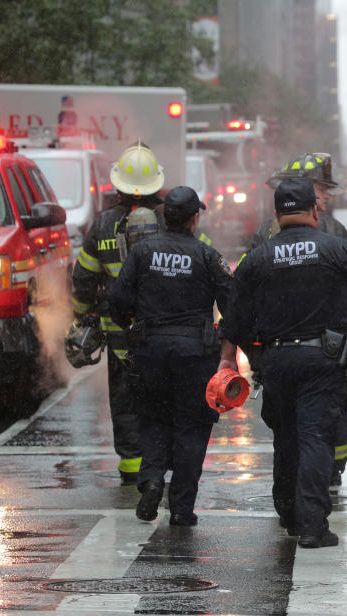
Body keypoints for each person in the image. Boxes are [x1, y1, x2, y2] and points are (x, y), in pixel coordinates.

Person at [220, 177, 347, 548]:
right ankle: (313, 525)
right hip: (324, 361)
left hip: (277, 361)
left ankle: (289, 514)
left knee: (286, 436)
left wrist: (229, 358)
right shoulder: (337, 249)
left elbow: (234, 313)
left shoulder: (259, 257)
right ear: (314, 209)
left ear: (276, 214)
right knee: (315, 437)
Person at [107, 186, 235, 526]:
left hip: (150, 352)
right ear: (195, 219)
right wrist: (225, 344)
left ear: (165, 217)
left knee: (152, 419)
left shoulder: (142, 253)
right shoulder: (208, 256)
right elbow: (233, 307)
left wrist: (133, 326)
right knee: (192, 428)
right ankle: (181, 508)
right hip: (195, 356)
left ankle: (150, 480)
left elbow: (117, 299)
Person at [252, 152, 347, 490]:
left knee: (285, 423)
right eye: (322, 188)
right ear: (306, 189)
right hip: (327, 349)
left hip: (278, 348)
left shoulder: (265, 234)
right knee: (326, 417)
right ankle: (328, 475)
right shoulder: (334, 233)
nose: (327, 195)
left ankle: (293, 492)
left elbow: (244, 289)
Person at [70, 142, 165, 484]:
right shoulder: (171, 221)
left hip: (120, 334)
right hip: (163, 334)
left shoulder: (103, 224)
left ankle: (131, 468)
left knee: (125, 399)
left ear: (117, 186)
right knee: (162, 395)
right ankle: (161, 461)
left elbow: (82, 279)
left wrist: (81, 317)